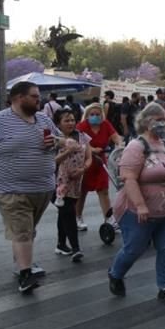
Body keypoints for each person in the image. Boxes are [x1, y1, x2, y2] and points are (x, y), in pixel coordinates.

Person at [0, 82, 58, 294]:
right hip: (11, 188)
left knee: (27, 230)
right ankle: (26, 274)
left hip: (43, 187)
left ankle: (21, 263)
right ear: (18, 98)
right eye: (34, 96)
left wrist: (58, 143)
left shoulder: (43, 119)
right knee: (22, 230)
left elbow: (60, 140)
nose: (38, 100)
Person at [107, 102, 165, 303]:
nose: (162, 123)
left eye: (164, 119)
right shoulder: (136, 146)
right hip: (138, 210)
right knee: (134, 248)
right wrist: (141, 205)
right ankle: (116, 273)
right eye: (157, 120)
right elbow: (129, 178)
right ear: (145, 122)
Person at [75, 103, 123, 231]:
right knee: (82, 192)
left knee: (103, 190)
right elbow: (78, 142)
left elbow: (115, 136)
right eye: (92, 114)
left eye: (97, 114)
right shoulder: (82, 126)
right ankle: (77, 217)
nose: (95, 117)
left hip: (100, 161)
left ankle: (109, 219)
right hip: (85, 161)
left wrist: (119, 144)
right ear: (87, 115)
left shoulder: (105, 124)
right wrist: (91, 149)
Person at [52, 108, 90, 261]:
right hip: (57, 183)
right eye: (66, 120)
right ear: (58, 124)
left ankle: (61, 244)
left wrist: (82, 169)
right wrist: (68, 151)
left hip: (76, 182)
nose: (70, 123)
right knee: (68, 212)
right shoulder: (54, 139)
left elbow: (89, 157)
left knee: (64, 213)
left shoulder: (82, 137)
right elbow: (51, 162)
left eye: (72, 120)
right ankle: (76, 248)